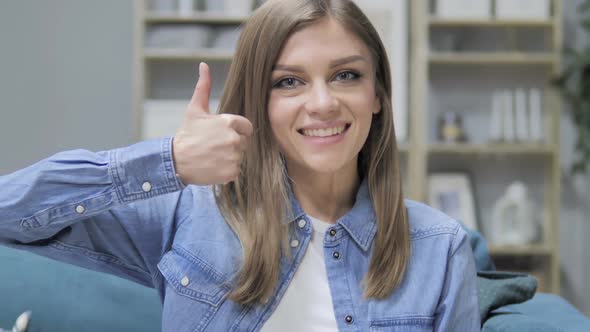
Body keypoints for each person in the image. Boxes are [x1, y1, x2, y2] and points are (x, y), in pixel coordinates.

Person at [0, 0, 480, 331]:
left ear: (377, 95)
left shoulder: (440, 247)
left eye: (346, 75)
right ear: (257, 103)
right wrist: (171, 160)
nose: (322, 103)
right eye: (289, 82)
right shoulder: (190, 214)